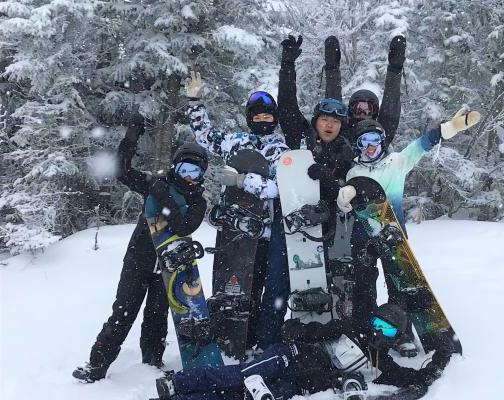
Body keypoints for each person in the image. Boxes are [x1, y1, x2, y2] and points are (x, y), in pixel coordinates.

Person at [73, 116, 210, 383]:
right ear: (175, 166)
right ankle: (96, 365)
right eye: (184, 169)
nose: (189, 177)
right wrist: (132, 134)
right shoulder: (155, 183)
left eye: (195, 173)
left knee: (157, 318)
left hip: (169, 267)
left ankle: (152, 362)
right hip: (139, 260)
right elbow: (121, 171)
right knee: (123, 313)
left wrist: (163, 197)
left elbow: (183, 227)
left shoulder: (197, 202)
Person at [335, 109, 481, 354]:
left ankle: (401, 334)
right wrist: (343, 199)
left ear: (382, 142)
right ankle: (367, 330)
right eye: (363, 142)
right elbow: (347, 203)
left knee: (399, 286)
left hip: (394, 235)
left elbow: (422, 144)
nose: (369, 147)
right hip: (363, 238)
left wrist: (450, 128)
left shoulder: (397, 162)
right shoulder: (353, 172)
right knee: (364, 286)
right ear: (358, 146)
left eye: (374, 141)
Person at [185, 72, 290, 351]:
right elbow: (206, 137)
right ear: (249, 117)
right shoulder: (234, 141)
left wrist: (245, 181)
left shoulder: (281, 151)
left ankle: (258, 339)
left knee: (264, 288)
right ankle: (230, 336)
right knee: (237, 286)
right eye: (258, 116)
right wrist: (194, 102)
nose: (263, 120)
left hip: (265, 232)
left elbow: (280, 188)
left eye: (268, 116)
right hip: (234, 230)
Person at [152, 303, 452, 400]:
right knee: (238, 375)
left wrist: (441, 355)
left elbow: (417, 379)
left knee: (242, 395)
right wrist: (295, 330)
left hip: (302, 382)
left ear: (394, 337)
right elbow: (311, 331)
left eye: (385, 330)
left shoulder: (382, 363)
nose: (376, 331)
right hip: (289, 356)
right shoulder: (348, 329)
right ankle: (177, 383)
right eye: (376, 322)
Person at [277, 35, 355, 242]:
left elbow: (347, 187)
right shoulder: (301, 135)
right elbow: (286, 106)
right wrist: (287, 66)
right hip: (293, 214)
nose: (330, 125)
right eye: (325, 120)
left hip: (332, 223)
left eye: (335, 122)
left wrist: (327, 179)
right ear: (315, 121)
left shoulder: (345, 148)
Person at [323, 35, 406, 146]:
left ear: (375, 112)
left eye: (367, 109)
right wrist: (331, 68)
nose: (362, 113)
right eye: (358, 108)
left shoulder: (380, 135)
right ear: (350, 110)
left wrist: (395, 69)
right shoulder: (339, 132)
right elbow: (333, 105)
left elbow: (390, 110)